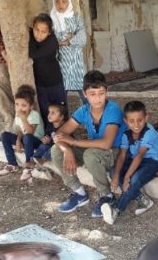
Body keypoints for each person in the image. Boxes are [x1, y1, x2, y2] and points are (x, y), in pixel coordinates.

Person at [51, 70, 126, 217]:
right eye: (92, 94)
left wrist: (73, 142)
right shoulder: (84, 110)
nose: (98, 99)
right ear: (85, 94)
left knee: (90, 154)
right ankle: (79, 193)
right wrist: (67, 150)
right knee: (56, 150)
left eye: (101, 93)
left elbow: (106, 144)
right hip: (94, 149)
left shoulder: (113, 110)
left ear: (107, 92)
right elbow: (59, 134)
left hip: (114, 151)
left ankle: (107, 196)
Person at [101, 100, 158, 225]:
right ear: (126, 121)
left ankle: (116, 209)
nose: (136, 125)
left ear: (146, 117)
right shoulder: (126, 134)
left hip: (154, 160)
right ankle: (142, 199)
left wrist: (127, 177)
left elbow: (141, 154)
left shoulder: (149, 132)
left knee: (134, 179)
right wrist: (116, 177)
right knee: (114, 172)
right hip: (136, 159)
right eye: (132, 121)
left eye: (140, 120)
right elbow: (122, 155)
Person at [29, 13, 67, 133]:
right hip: (41, 84)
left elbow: (33, 54)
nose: (39, 35)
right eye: (36, 30)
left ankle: (66, 134)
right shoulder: (34, 37)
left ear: (49, 32)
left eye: (43, 31)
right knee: (46, 111)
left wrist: (30, 35)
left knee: (60, 110)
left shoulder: (52, 42)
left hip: (55, 82)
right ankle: (49, 135)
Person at [0, 85, 44, 180]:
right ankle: (12, 164)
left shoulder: (34, 114)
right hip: (26, 139)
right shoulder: (18, 115)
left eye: (24, 105)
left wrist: (23, 118)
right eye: (17, 104)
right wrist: (18, 140)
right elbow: (21, 130)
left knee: (27, 137)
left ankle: (28, 166)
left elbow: (30, 131)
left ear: (31, 106)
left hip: (36, 141)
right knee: (5, 135)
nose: (20, 108)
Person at [50, 0, 87, 105]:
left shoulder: (75, 17)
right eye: (57, 1)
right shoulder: (51, 19)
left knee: (84, 93)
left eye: (64, 1)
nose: (61, 4)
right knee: (61, 94)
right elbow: (49, 37)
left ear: (69, 2)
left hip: (76, 61)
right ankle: (63, 118)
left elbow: (83, 37)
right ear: (54, 2)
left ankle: (92, 116)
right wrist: (68, 36)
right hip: (61, 62)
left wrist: (66, 42)